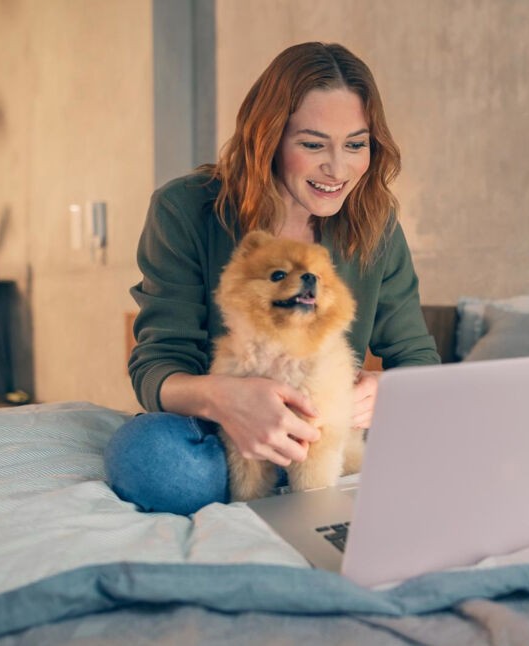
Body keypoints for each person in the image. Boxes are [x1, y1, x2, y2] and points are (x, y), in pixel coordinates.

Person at [105, 42, 440, 516]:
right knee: (151, 460)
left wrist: (386, 392)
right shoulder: (186, 209)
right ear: (269, 139)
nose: (338, 168)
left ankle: (317, 491)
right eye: (312, 144)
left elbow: (418, 358)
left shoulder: (375, 224)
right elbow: (157, 367)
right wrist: (227, 399)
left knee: (463, 444)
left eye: (355, 144)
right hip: (222, 438)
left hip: (330, 438)